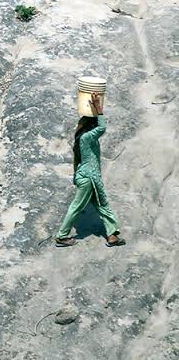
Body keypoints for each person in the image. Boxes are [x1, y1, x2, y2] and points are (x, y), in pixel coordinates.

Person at [55, 93, 126, 247]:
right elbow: (102, 127)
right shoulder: (87, 137)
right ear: (90, 125)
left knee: (102, 204)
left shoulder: (84, 138)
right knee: (77, 206)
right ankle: (62, 236)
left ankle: (112, 235)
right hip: (89, 177)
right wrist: (99, 109)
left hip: (88, 176)